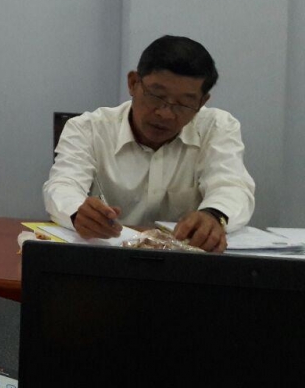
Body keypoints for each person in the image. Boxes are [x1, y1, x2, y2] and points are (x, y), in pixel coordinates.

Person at [44, 35, 255, 252]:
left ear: (202, 102)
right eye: (156, 96)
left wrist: (214, 215)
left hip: (185, 262)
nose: (165, 114)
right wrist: (78, 212)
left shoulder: (217, 128)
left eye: (184, 104)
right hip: (109, 257)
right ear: (133, 83)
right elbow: (63, 185)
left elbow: (231, 185)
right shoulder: (87, 128)